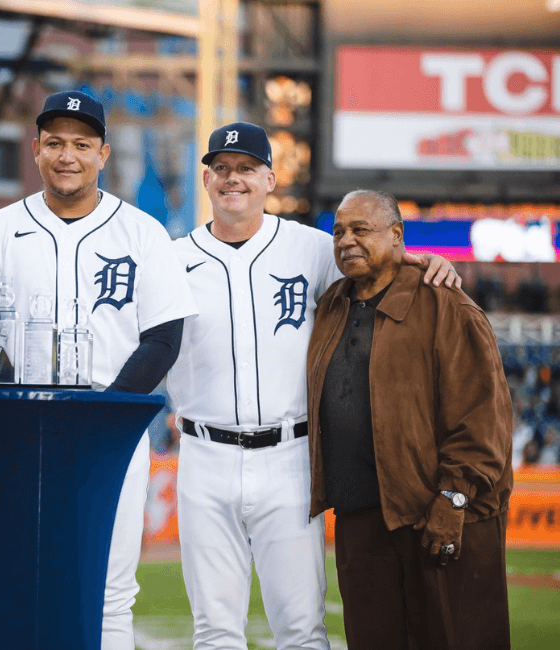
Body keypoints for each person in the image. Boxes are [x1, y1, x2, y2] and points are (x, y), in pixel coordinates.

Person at [165, 124, 460, 650]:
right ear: (207, 179)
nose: (235, 179)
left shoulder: (313, 248)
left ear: (270, 178)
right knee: (213, 631)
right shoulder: (168, 260)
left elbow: (377, 267)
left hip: (291, 455)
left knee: (302, 629)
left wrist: (426, 260)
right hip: (203, 454)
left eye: (247, 168)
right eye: (224, 169)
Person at [0, 90, 197, 649]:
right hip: (21, 430)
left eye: (81, 144)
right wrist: (13, 390)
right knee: (21, 583)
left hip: (112, 434)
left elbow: (163, 338)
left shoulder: (141, 233)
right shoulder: (0, 229)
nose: (68, 155)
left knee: (110, 592)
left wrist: (102, 414)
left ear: (103, 154)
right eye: (55, 143)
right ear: (36, 150)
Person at [307, 189, 513, 650]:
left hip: (436, 515)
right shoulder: (332, 305)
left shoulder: (446, 304)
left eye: (361, 230)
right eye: (339, 231)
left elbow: (484, 417)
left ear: (397, 235)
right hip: (361, 519)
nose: (346, 241)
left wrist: (453, 500)